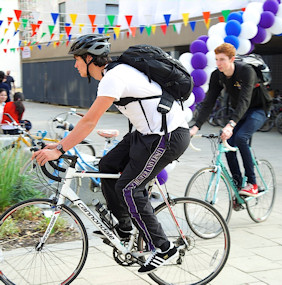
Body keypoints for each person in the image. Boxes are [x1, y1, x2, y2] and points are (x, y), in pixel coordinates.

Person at [32, 34, 190, 274]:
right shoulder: (113, 75)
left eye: (76, 60)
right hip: (145, 134)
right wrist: (59, 145)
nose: (74, 65)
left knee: (129, 188)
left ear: (89, 58)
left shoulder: (113, 78)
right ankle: (124, 227)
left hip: (167, 137)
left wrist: (61, 149)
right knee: (106, 165)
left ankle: (164, 247)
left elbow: (89, 121)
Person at [190, 43, 267, 197]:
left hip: (258, 109)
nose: (218, 63)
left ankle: (252, 184)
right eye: (216, 59)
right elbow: (209, 102)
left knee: (240, 138)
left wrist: (231, 125)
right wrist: (196, 127)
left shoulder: (246, 71)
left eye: (222, 60)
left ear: (232, 59)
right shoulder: (216, 75)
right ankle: (239, 186)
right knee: (226, 142)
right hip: (240, 112)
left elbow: (245, 100)